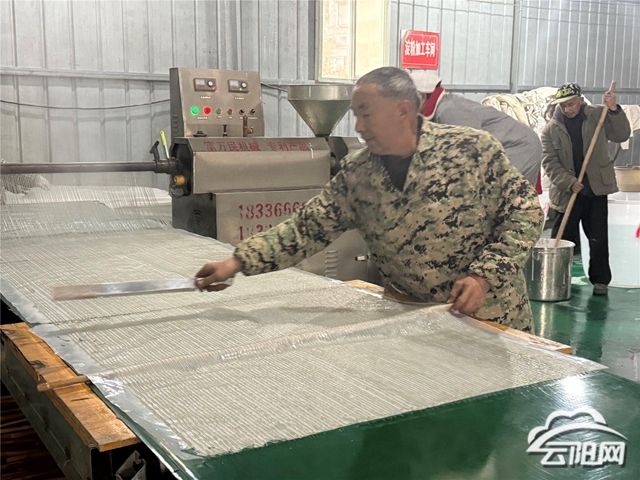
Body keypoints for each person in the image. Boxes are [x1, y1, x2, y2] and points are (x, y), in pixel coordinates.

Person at [196, 67, 544, 331]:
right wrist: (237, 262)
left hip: (489, 320)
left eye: (367, 114)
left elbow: (524, 213)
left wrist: (484, 277)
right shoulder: (358, 174)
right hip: (415, 321)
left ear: (403, 111)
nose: (359, 127)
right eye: (356, 115)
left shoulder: (470, 150)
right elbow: (305, 230)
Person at [541, 83, 631, 295]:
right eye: (563, 105)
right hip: (567, 193)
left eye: (571, 104)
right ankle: (556, 279)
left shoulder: (598, 115)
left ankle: (600, 281)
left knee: (598, 238)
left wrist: (614, 109)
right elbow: (549, 162)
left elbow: (621, 135)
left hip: (595, 189)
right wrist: (568, 181)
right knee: (562, 240)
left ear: (581, 100)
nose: (567, 109)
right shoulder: (550, 130)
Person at [409, 70, 543, 187]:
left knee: (506, 195)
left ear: (422, 97)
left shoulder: (449, 111)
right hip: (501, 147)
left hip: (519, 146)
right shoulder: (441, 110)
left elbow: (468, 152)